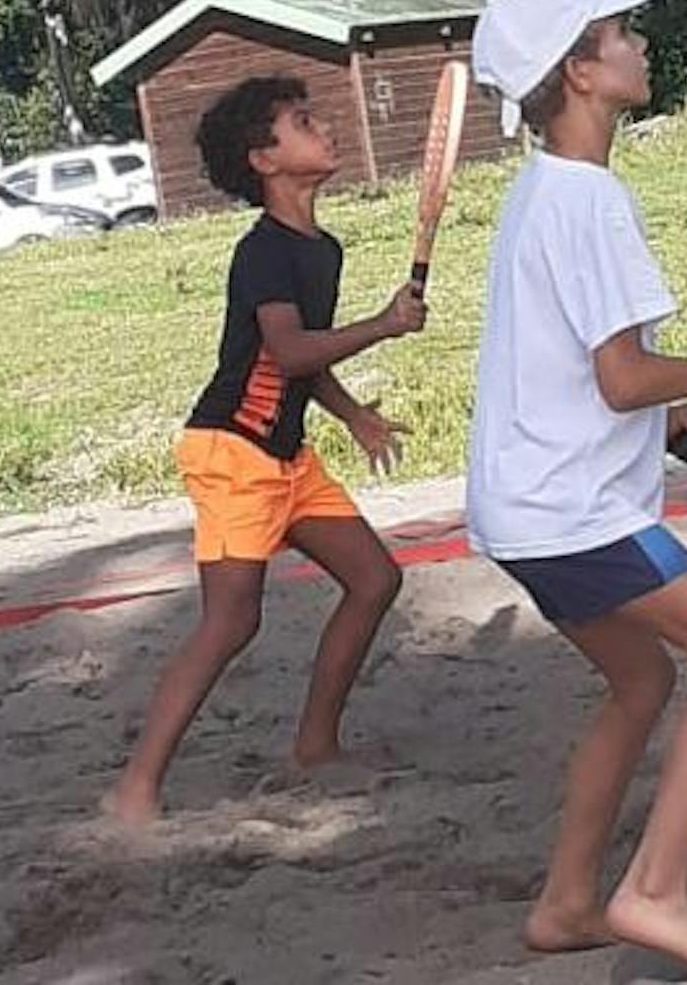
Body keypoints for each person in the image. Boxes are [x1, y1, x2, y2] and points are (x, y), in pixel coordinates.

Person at [466, 0, 687, 966]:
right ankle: (654, 888)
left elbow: (582, 381)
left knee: (640, 682)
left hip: (526, 507)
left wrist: (678, 421)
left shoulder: (545, 193)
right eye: (620, 33)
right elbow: (620, 377)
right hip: (570, 512)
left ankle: (566, 904)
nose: (639, 45)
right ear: (579, 71)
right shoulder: (588, 201)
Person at [104, 75, 427, 824]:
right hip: (231, 453)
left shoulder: (324, 248)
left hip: (287, 456)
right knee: (231, 621)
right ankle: (135, 788)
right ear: (265, 160)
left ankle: (316, 746)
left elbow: (305, 362)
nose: (326, 129)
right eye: (303, 123)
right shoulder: (263, 253)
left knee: (375, 579)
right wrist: (382, 325)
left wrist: (353, 416)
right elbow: (283, 353)